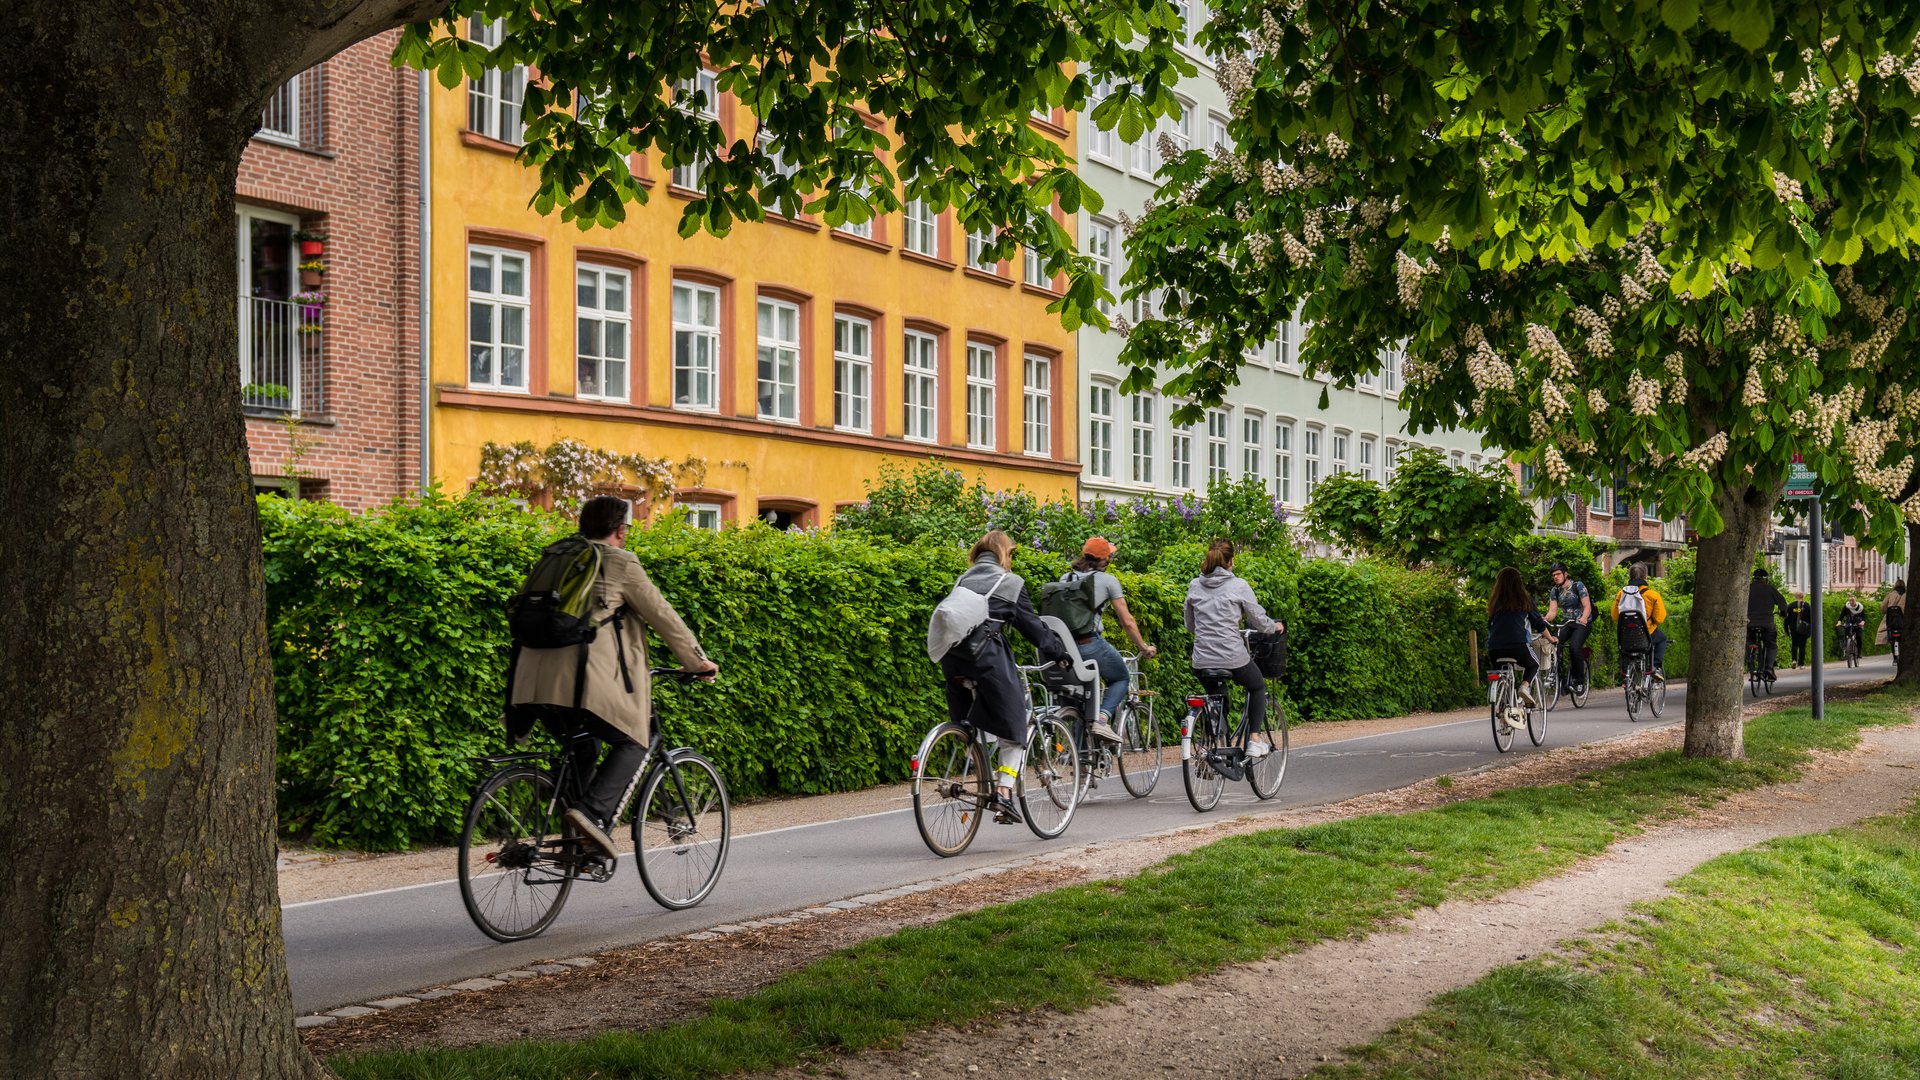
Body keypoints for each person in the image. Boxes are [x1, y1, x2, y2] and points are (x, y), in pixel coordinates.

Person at [508, 495, 718, 860]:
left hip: (530, 684)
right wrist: (698, 662)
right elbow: (662, 615)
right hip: (581, 685)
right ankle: (591, 816)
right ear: (621, 530)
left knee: (583, 747)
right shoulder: (620, 561)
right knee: (636, 741)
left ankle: (580, 847)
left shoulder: (556, 557)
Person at [937, 530, 1068, 825]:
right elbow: (1032, 628)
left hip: (951, 659)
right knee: (1014, 725)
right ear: (1004, 554)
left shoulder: (963, 580)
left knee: (974, 720)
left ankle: (974, 755)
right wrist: (1058, 651)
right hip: (986, 660)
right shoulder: (1009, 582)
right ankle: (1004, 793)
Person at [1184, 539, 1284, 778]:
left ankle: (1214, 748)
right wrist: (1274, 627)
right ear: (1231, 562)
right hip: (1232, 656)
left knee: (1217, 699)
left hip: (1202, 659)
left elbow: (1189, 625)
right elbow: (1258, 619)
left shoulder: (1194, 585)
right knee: (1257, 686)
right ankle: (1254, 739)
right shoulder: (1239, 585)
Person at [1058, 536, 1157, 744]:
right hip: (1089, 645)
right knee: (1121, 677)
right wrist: (1143, 647)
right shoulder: (1107, 581)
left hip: (1064, 649)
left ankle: (1083, 767)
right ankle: (1102, 720)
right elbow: (1127, 622)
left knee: (1082, 705)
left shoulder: (1065, 578)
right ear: (1105, 560)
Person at [1487, 566, 1554, 713]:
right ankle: (1524, 687)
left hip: (1494, 648)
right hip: (1518, 645)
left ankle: (1503, 709)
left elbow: (1489, 626)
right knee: (1534, 664)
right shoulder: (1524, 600)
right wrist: (1551, 639)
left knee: (1501, 672)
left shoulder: (1494, 602)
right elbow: (1538, 623)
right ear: (1519, 583)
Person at [1612, 564, 1671, 676]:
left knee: (1627, 649)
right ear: (1645, 577)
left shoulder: (1621, 594)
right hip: (1647, 635)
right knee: (1662, 639)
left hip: (1625, 636)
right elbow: (1659, 619)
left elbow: (1615, 616)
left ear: (1630, 576)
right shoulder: (1653, 595)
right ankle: (1656, 667)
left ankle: (1627, 672)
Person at [1543, 562, 1593, 690]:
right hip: (1567, 622)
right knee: (1554, 643)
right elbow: (1553, 611)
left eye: (1558, 574)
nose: (1555, 577)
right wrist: (1545, 618)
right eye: (1553, 575)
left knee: (1574, 647)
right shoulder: (1555, 590)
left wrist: (1583, 618)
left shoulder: (1578, 586)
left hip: (1582, 623)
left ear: (1565, 574)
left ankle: (1579, 681)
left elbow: (1587, 607)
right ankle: (1560, 676)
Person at [1747, 566, 1790, 680]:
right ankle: (1769, 668)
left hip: (1749, 623)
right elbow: (1782, 604)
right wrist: (1784, 613)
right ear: (1766, 579)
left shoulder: (1746, 589)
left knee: (1749, 640)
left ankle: (1750, 661)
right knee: (1771, 644)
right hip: (1767, 623)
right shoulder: (1770, 589)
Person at [1785, 591, 1813, 668]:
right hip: (1804, 629)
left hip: (1793, 628)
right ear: (1803, 597)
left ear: (1795, 596)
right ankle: (1801, 664)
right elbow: (1811, 619)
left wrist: (1786, 629)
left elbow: (1786, 619)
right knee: (1802, 646)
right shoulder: (1807, 606)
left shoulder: (1790, 606)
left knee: (1794, 644)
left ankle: (1794, 660)